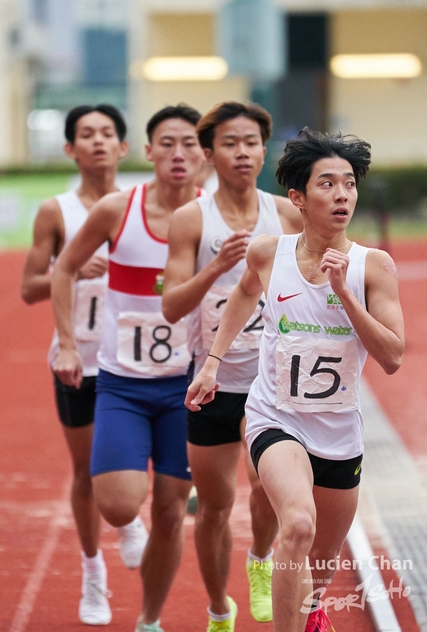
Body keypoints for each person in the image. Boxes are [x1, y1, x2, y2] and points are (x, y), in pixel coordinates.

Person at [185, 126, 405, 632]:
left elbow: (392, 356)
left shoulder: (374, 267)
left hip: (338, 430)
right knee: (298, 524)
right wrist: (214, 362)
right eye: (327, 183)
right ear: (298, 198)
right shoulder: (268, 254)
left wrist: (345, 294)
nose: (343, 194)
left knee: (317, 569)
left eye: (349, 183)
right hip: (274, 417)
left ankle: (313, 609)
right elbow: (243, 293)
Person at [50, 104, 205, 632]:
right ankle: (116, 541)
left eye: (189, 143)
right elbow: (65, 269)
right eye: (167, 143)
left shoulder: (216, 216)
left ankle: (149, 619)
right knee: (118, 506)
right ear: (147, 151)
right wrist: (68, 344)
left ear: (203, 154)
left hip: (188, 386)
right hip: (122, 383)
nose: (178, 154)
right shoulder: (119, 209)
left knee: (169, 513)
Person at [162, 101, 303, 631]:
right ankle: (219, 607)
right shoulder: (191, 219)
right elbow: (172, 305)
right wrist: (218, 267)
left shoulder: (286, 215)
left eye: (250, 143)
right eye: (229, 143)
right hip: (212, 379)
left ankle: (261, 561)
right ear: (208, 153)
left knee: (265, 484)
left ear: (263, 150)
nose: (242, 152)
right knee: (216, 506)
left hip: (272, 383)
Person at [21, 104, 148, 626]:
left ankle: (129, 518)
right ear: (70, 149)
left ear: (122, 147)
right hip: (77, 358)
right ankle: (93, 573)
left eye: (107, 134)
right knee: (84, 469)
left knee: (132, 462)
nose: (97, 142)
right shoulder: (57, 211)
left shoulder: (142, 205)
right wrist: (67, 270)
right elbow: (29, 288)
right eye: (85, 135)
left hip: (135, 359)